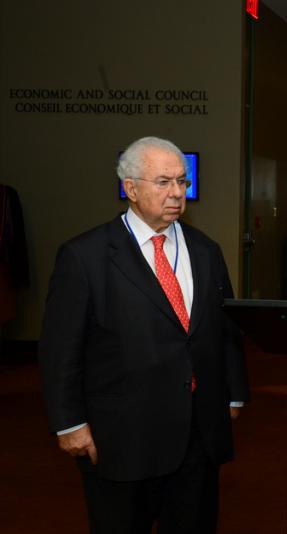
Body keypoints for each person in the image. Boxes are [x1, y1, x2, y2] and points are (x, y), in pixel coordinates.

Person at [38, 136, 250, 533]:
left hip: (197, 432)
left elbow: (224, 327)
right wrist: (69, 423)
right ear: (131, 189)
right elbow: (60, 348)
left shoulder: (206, 249)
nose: (177, 193)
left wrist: (234, 392)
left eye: (182, 182)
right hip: (122, 436)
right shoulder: (85, 256)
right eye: (164, 182)